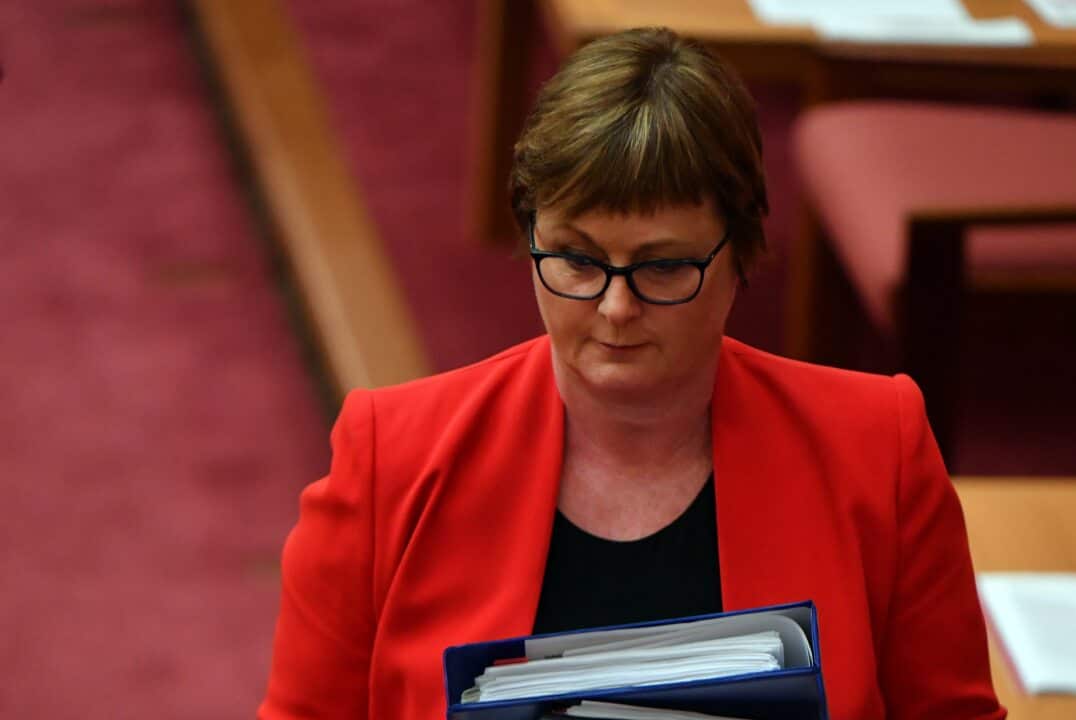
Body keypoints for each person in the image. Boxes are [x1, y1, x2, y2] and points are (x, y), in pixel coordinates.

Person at [259, 27, 1005, 720]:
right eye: (578, 260)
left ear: (740, 255)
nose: (615, 307)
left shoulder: (878, 448)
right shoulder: (391, 456)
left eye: (663, 266)